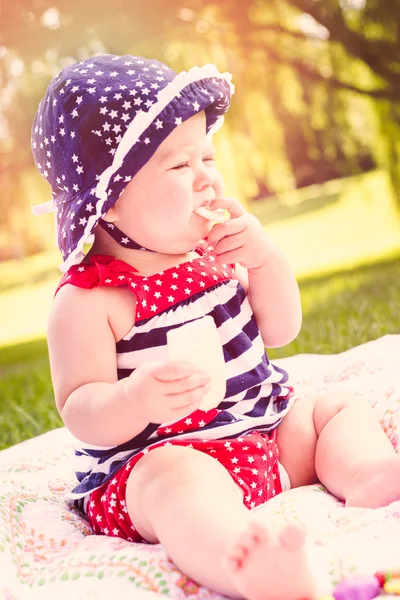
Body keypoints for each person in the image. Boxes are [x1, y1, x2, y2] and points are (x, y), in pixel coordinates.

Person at [31, 54, 400, 600]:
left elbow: (281, 329)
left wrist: (266, 260)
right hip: (165, 455)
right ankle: (246, 563)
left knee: (332, 408)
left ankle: (371, 476)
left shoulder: (215, 249)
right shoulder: (91, 300)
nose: (207, 177)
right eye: (179, 167)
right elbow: (80, 409)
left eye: (207, 155)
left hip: (265, 434)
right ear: (106, 200)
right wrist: (133, 401)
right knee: (173, 482)